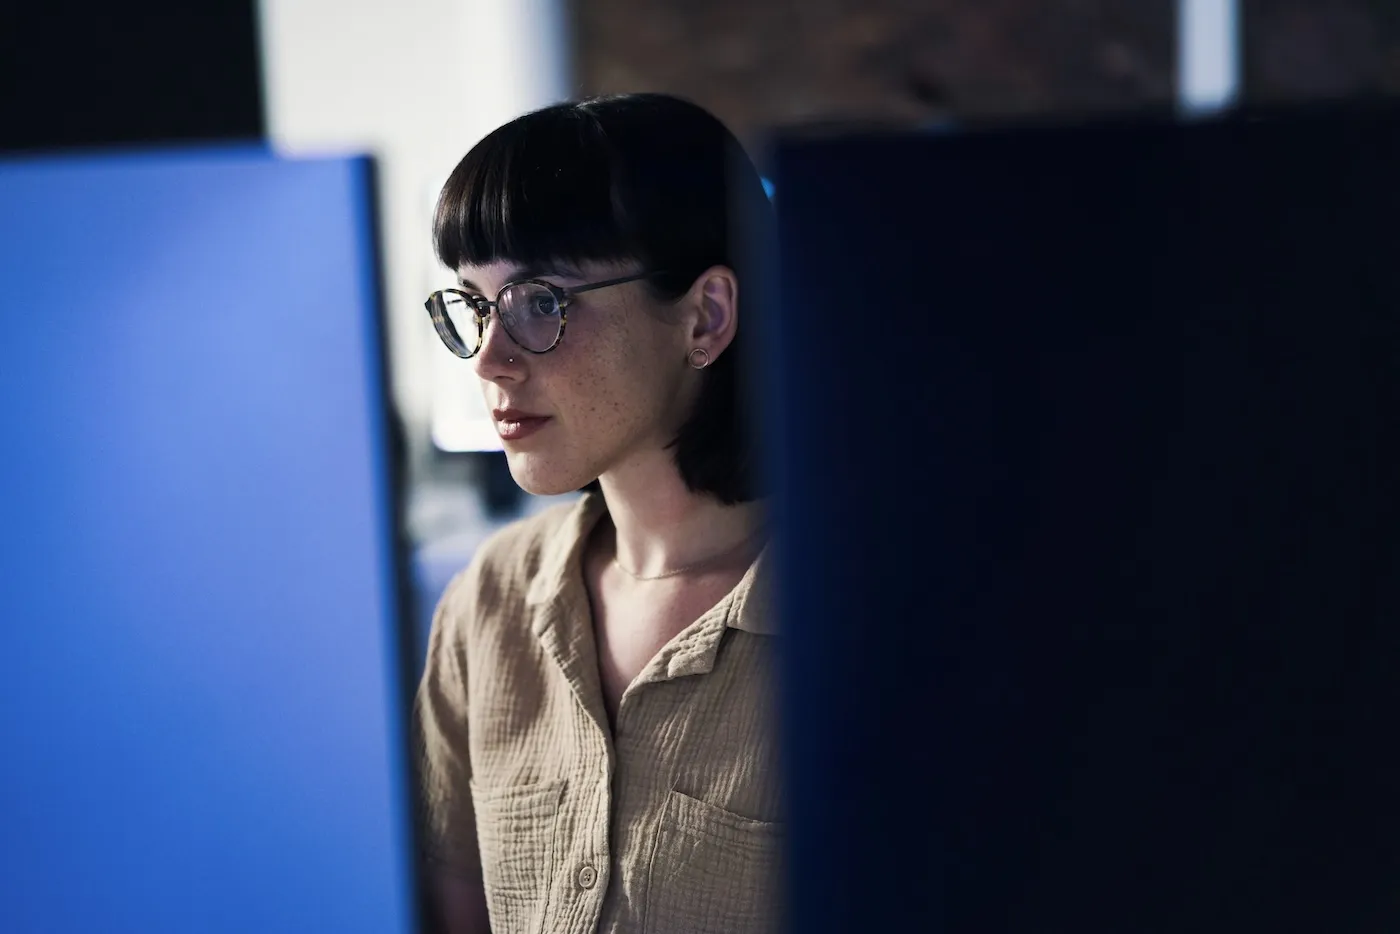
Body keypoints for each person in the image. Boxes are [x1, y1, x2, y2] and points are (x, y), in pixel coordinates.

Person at [413, 93, 782, 934]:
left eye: (541, 302)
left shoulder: (865, 614)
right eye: (475, 305)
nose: (489, 361)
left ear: (706, 317)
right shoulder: (491, 602)